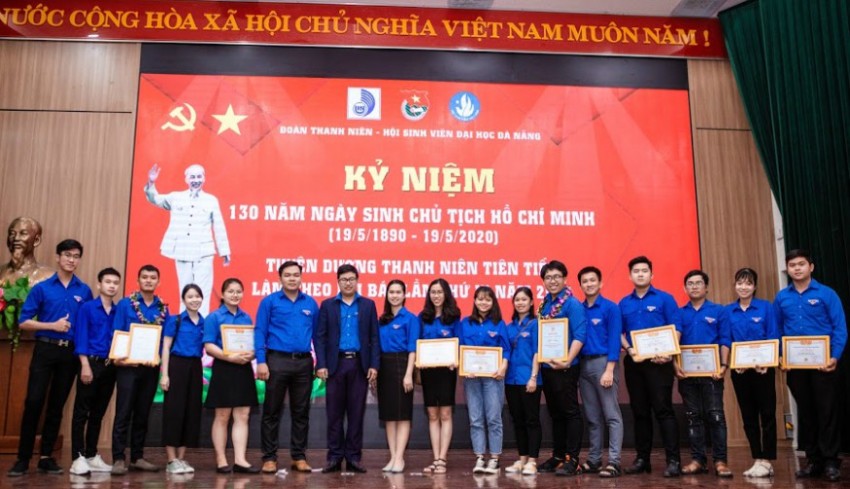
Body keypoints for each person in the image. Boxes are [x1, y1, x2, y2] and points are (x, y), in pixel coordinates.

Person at [7, 240, 93, 477]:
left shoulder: (84, 291)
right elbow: (23, 322)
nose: (71, 260)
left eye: (76, 256)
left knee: (57, 406)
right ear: (58, 257)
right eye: (67, 255)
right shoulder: (42, 288)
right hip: (45, 349)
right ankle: (23, 459)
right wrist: (51, 326)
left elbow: (86, 326)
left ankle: (46, 457)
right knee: (34, 401)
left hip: (70, 354)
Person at [774, 250, 846, 482]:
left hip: (824, 364)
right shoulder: (782, 297)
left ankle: (831, 461)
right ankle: (813, 460)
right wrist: (781, 357)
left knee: (827, 412)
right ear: (788, 269)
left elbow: (840, 328)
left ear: (811, 267)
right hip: (795, 366)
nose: (797, 268)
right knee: (806, 413)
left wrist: (834, 357)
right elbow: (777, 330)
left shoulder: (827, 294)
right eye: (792, 265)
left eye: (801, 264)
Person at [619, 255, 682, 477]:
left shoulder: (665, 299)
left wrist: (669, 353)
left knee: (664, 410)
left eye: (644, 271)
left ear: (651, 274)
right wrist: (629, 349)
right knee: (640, 412)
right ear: (630, 276)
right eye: (636, 271)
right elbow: (618, 332)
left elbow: (677, 327)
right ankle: (642, 459)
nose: (640, 274)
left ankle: (673, 461)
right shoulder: (624, 303)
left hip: (660, 363)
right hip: (635, 363)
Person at [254, 261, 319, 474]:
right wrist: (261, 360)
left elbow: (318, 336)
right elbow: (260, 331)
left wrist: (321, 363)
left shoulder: (310, 303)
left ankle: (298, 457)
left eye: (296, 275)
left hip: (303, 363)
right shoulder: (270, 302)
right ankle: (269, 458)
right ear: (280, 278)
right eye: (288, 275)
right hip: (276, 361)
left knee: (301, 412)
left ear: (301, 277)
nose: (292, 278)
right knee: (272, 411)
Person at [314, 264, 379, 473]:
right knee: (334, 414)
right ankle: (334, 457)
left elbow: (374, 338)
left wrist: (374, 365)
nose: (348, 283)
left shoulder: (368, 305)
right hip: (335, 365)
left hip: (359, 365)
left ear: (357, 281)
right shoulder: (327, 305)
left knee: (356, 413)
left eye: (351, 279)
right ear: (338, 281)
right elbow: (320, 337)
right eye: (344, 279)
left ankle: (353, 457)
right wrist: (321, 364)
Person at [145, 163, 230, 316]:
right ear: (186, 179)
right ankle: (184, 324)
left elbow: (219, 225)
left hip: (204, 253)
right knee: (185, 290)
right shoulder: (176, 197)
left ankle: (201, 324)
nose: (196, 180)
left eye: (199, 177)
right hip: (182, 250)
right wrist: (151, 182)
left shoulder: (211, 200)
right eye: (192, 177)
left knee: (202, 291)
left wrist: (224, 251)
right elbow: (155, 199)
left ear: (204, 178)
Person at [111, 264, 168, 475]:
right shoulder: (125, 304)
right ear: (138, 280)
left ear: (158, 282)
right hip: (128, 367)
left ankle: (137, 457)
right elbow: (117, 332)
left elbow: (163, 340)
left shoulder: (162, 308)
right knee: (123, 412)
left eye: (153, 277)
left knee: (143, 414)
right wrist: (120, 359)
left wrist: (157, 357)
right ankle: (118, 458)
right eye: (144, 277)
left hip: (150, 368)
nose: (148, 280)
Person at [676, 270, 731, 477]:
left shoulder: (719, 311)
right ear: (685, 288)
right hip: (686, 374)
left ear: (706, 287)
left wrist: (723, 366)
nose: (694, 286)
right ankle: (698, 459)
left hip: (712, 373)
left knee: (716, 416)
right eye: (690, 283)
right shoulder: (679, 313)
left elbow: (725, 339)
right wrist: (675, 366)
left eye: (698, 283)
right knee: (693, 417)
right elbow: (674, 342)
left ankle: (720, 461)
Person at [725, 267, 778, 478]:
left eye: (748, 283)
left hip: (763, 369)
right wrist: (733, 362)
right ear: (735, 285)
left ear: (755, 286)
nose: (743, 287)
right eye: (740, 283)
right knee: (748, 416)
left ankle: (768, 459)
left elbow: (773, 335)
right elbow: (726, 339)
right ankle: (757, 457)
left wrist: (768, 362)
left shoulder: (766, 307)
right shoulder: (728, 311)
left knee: (767, 414)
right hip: (739, 370)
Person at [69, 267, 121, 476]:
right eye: (108, 282)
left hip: (110, 366)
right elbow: (80, 336)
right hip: (90, 363)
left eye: (115, 283)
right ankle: (77, 457)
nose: (112, 286)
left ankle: (91, 455)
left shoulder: (118, 311)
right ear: (99, 284)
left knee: (98, 413)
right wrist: (84, 364)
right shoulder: (88, 307)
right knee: (81, 412)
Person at [536, 260, 586, 476]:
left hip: (566, 367)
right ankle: (558, 456)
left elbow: (580, 335)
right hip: (548, 366)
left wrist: (567, 360)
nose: (552, 281)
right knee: (555, 413)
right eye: (548, 277)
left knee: (570, 412)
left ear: (565, 279)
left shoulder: (572, 304)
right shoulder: (545, 304)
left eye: (557, 277)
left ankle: (572, 459)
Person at [204, 278, 260, 474]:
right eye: (230, 291)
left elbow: (252, 344)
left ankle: (240, 460)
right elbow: (209, 346)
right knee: (222, 415)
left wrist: (252, 354)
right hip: (224, 368)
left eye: (238, 291)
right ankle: (221, 459)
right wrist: (229, 357)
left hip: (243, 368)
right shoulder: (214, 317)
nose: (235, 295)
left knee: (243, 415)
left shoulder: (246, 317)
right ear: (223, 294)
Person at [576, 266, 624, 478]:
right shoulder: (578, 309)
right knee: (592, 416)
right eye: (585, 281)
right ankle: (595, 459)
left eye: (592, 280)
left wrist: (610, 369)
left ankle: (614, 461)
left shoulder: (611, 308)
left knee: (611, 415)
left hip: (604, 364)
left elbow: (615, 339)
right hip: (583, 366)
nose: (589, 284)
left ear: (600, 283)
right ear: (580, 285)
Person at [458, 286, 511, 474]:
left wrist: (503, 367)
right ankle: (480, 457)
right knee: (475, 419)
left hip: (493, 378)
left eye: (487, 299)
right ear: (474, 301)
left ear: (493, 302)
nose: (483, 302)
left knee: (494, 418)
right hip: (472, 378)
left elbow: (506, 349)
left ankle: (495, 459)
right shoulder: (465, 323)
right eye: (480, 299)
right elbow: (460, 348)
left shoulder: (499, 324)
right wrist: (464, 366)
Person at [160, 284, 206, 474]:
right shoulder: (175, 320)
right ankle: (171, 460)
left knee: (191, 411)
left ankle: (181, 458)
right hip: (177, 366)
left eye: (197, 296)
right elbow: (165, 347)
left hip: (195, 367)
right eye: (190, 296)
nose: (194, 300)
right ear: (183, 300)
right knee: (174, 411)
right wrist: (165, 374)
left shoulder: (205, 322)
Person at [418, 278, 461, 475]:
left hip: (446, 371)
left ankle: (443, 458)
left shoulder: (453, 317)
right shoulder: (423, 317)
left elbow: (459, 343)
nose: (436, 296)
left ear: (446, 294)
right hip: (428, 371)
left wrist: (456, 359)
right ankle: (435, 458)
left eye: (440, 292)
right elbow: (418, 343)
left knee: (445, 414)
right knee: (433, 415)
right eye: (433, 292)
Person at [377, 280, 419, 473]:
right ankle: (393, 456)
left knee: (402, 414)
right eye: (391, 292)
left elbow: (412, 348)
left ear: (404, 295)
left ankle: (400, 458)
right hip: (384, 367)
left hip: (402, 365)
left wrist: (409, 374)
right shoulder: (382, 319)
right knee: (389, 415)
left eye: (398, 292)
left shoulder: (410, 318)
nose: (394, 295)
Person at [503, 287, 541, 476]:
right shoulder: (509, 327)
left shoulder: (536, 324)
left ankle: (533, 461)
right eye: (517, 299)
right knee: (517, 420)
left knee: (531, 420)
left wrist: (533, 377)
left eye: (524, 299)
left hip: (529, 380)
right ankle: (523, 458)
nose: (520, 303)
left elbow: (537, 352)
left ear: (531, 302)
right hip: (511, 380)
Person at [0, 217, 54, 286]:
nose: (16, 238)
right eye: (12, 233)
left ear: (36, 241)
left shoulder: (49, 277)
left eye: (23, 234)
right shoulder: (1, 272)